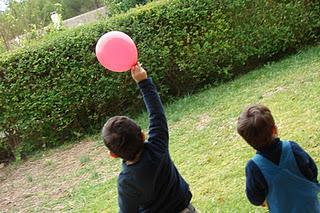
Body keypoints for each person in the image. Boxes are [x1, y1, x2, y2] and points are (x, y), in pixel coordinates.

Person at [102, 63, 196, 213]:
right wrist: (143, 81)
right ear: (142, 135)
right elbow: (156, 113)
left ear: (113, 154)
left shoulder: (126, 181)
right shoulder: (158, 146)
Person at [237, 104, 320, 212]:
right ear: (274, 129)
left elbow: (255, 198)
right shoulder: (293, 148)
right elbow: (312, 171)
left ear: (248, 142)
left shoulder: (254, 167)